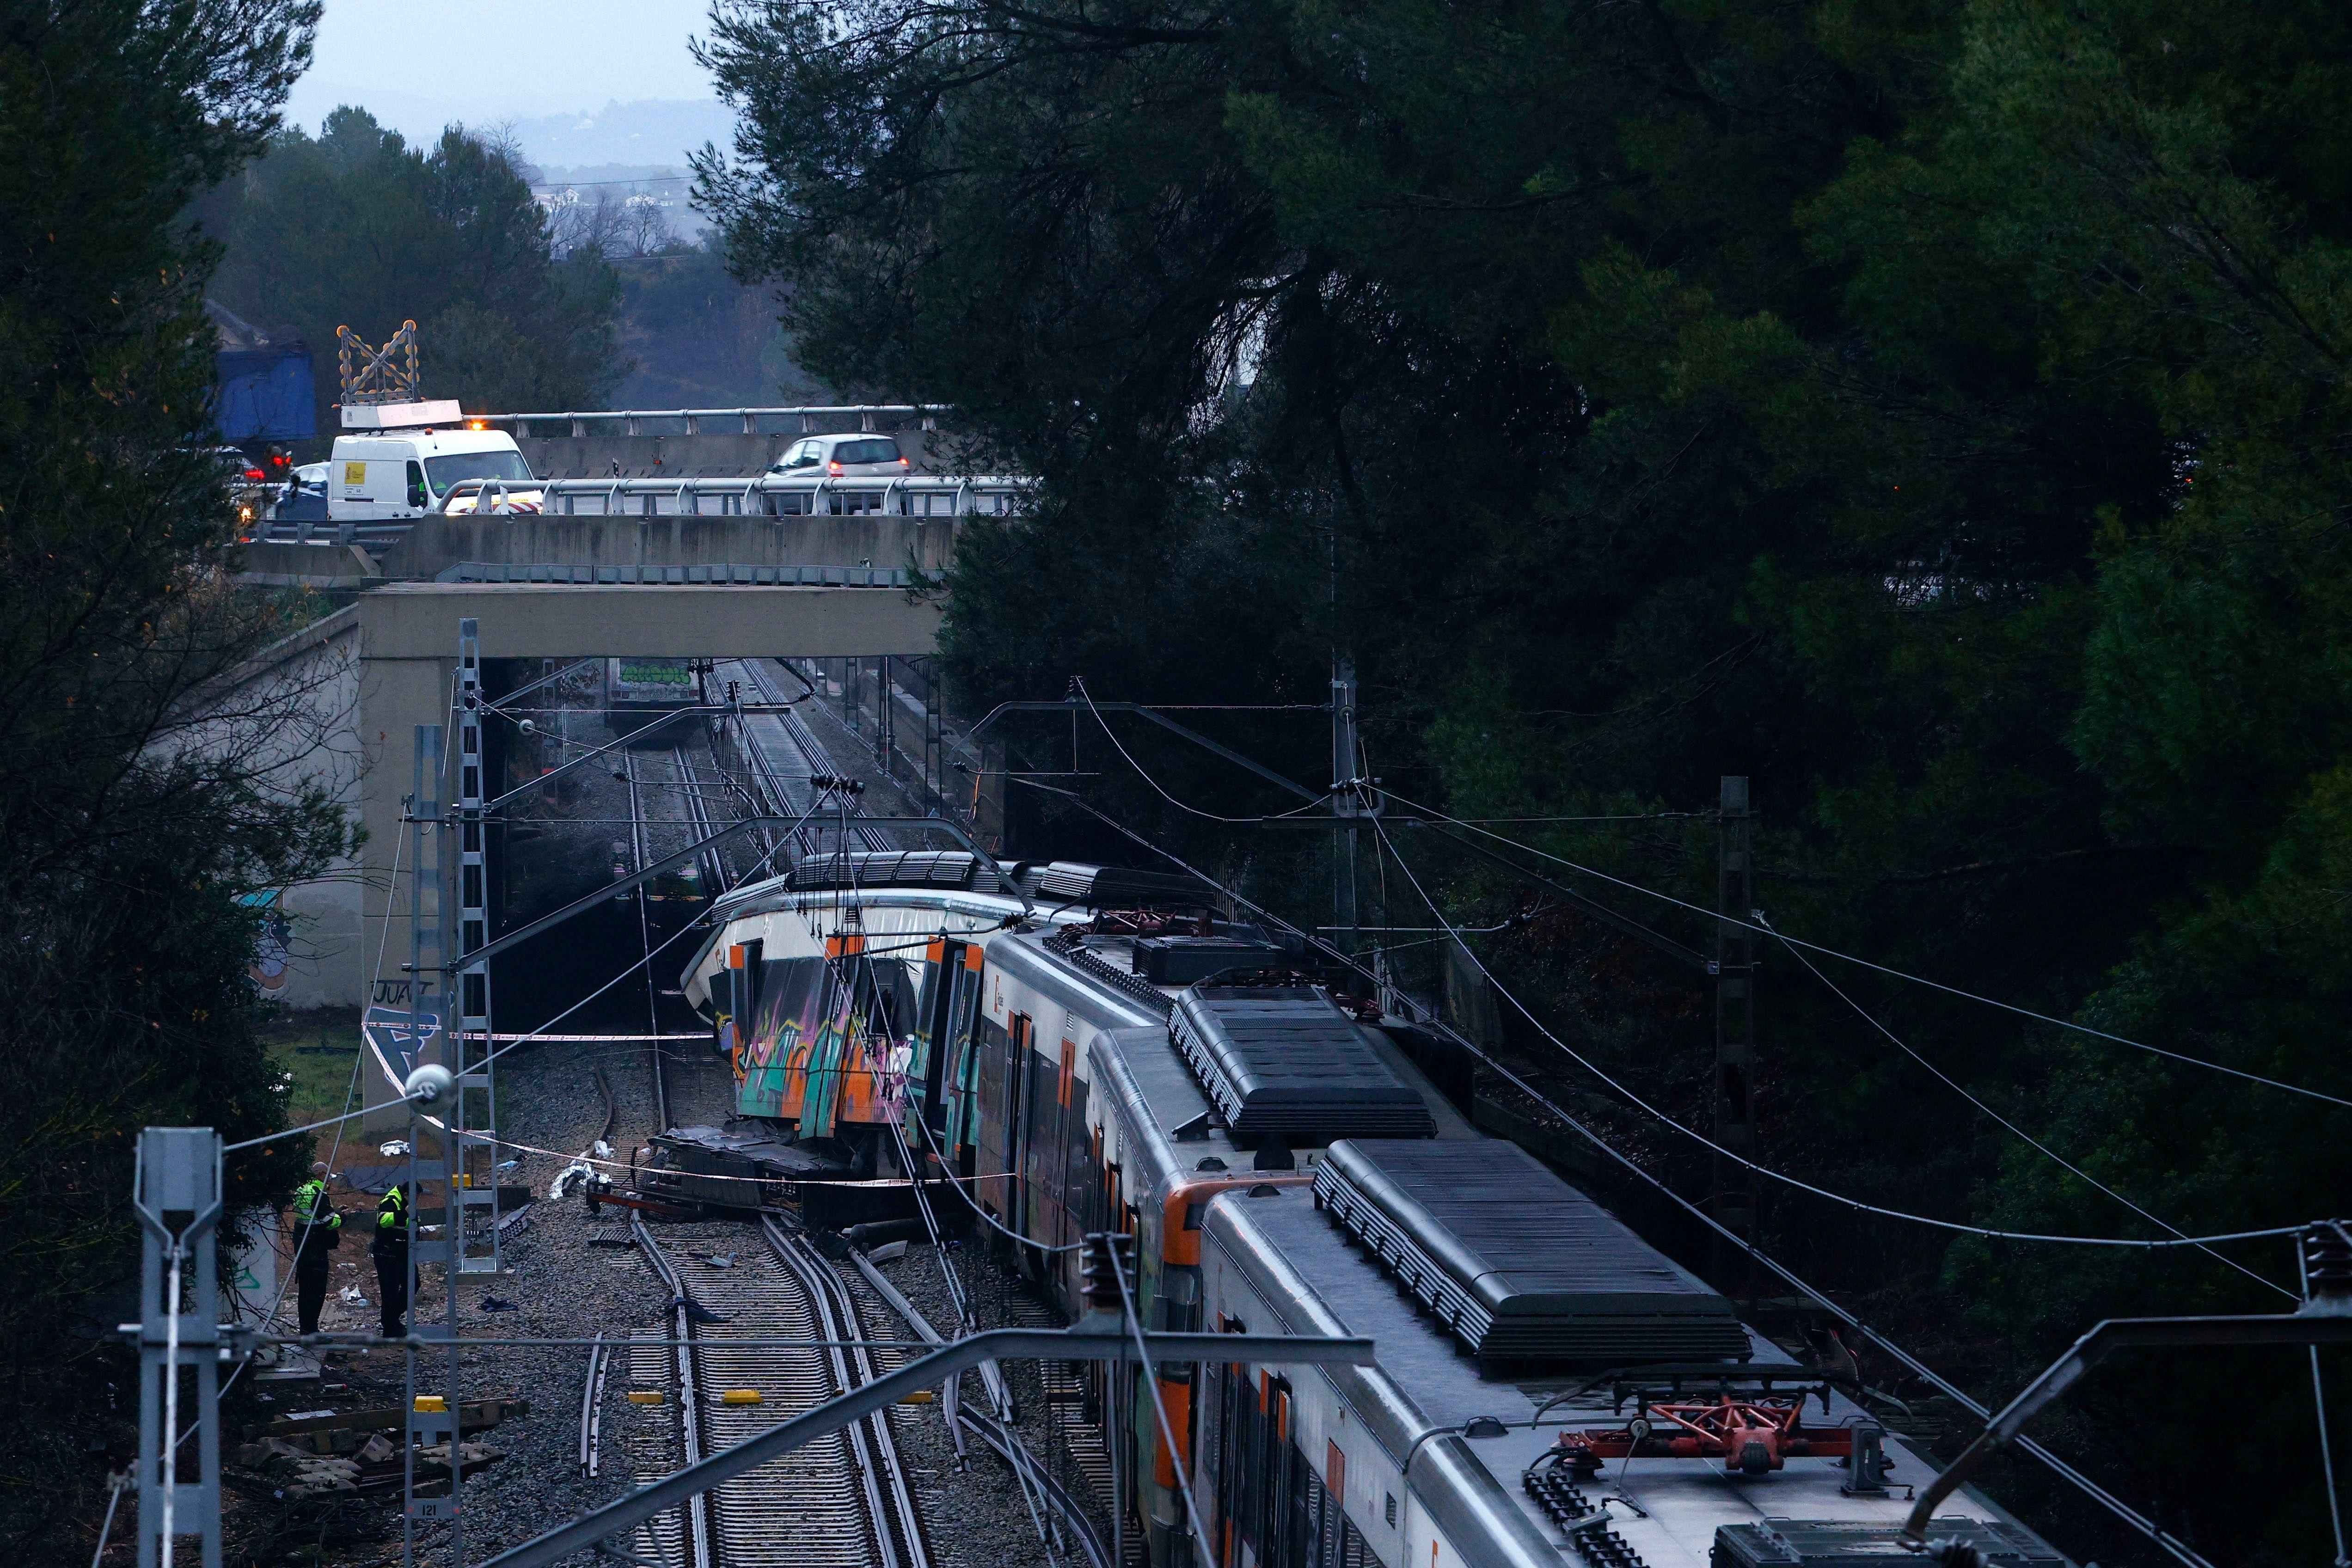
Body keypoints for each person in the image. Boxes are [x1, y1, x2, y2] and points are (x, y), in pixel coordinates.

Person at [290, 1161, 341, 1335]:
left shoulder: (302, 1190)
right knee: (317, 1292)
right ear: (321, 1175)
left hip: (302, 1245)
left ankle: (306, 1328)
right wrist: (343, 1216)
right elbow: (329, 1221)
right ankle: (311, 1331)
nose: (331, 1182)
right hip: (316, 1248)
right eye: (329, 1177)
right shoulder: (319, 1194)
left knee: (305, 1291)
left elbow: (309, 1216)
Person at [373, 1181, 410, 1339]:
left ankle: (392, 1319)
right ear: (407, 1195)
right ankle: (390, 1325)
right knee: (390, 1291)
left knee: (412, 1283)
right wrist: (405, 1214)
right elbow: (384, 1220)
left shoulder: (402, 1203)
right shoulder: (390, 1202)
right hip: (387, 1254)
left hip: (400, 1252)